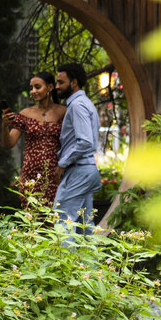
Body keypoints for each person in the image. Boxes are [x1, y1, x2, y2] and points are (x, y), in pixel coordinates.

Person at [1, 71, 67, 210]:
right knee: (33, 219)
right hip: (31, 176)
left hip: (54, 175)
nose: (33, 91)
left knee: (53, 219)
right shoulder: (25, 114)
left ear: (49, 87)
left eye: (37, 87)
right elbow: (9, 144)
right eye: (31, 88)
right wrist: (5, 126)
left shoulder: (63, 112)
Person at [53, 62, 102, 232]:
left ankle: (65, 259)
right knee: (85, 225)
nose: (57, 86)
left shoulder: (77, 106)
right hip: (86, 170)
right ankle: (91, 259)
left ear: (73, 83)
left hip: (78, 170)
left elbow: (86, 141)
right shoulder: (85, 103)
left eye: (61, 82)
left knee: (62, 219)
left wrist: (62, 163)